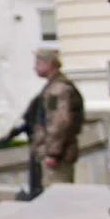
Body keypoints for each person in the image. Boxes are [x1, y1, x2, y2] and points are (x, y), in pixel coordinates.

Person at [29, 48, 85, 186]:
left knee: (58, 195)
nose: (34, 67)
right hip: (55, 153)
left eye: (38, 62)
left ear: (49, 64)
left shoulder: (57, 90)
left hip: (57, 157)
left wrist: (53, 153)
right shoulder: (54, 87)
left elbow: (59, 121)